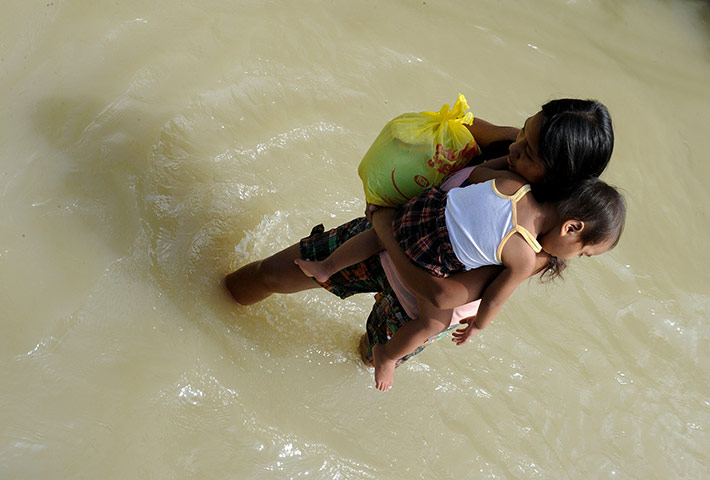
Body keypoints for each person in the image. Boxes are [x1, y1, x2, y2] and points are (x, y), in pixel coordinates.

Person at [224, 98, 617, 390]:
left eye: (529, 151)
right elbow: (460, 131)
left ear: (561, 180)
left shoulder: (533, 250)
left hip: (410, 294)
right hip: (385, 236)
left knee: (369, 355)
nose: (516, 146)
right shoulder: (512, 148)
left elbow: (440, 294)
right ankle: (209, 301)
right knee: (272, 275)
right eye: (526, 130)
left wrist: (384, 227)